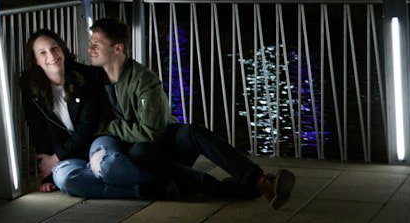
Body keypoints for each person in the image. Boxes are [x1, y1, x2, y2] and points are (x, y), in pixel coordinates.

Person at [86, 16, 296, 208]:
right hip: (129, 157)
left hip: (159, 148)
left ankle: (257, 178)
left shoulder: (144, 80)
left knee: (190, 133)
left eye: (96, 44)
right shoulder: (93, 79)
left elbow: (152, 133)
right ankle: (253, 187)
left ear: (118, 48)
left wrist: (111, 127)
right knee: (141, 154)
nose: (89, 49)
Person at [19, 28, 153, 198]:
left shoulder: (85, 76)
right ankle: (139, 190)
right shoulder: (31, 87)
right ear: (36, 60)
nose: (51, 56)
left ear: (62, 49)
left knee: (108, 167)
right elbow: (38, 129)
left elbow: (88, 127)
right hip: (68, 156)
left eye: (54, 48)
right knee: (66, 180)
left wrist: (56, 158)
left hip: (96, 139)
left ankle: (160, 179)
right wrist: (49, 176)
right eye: (42, 52)